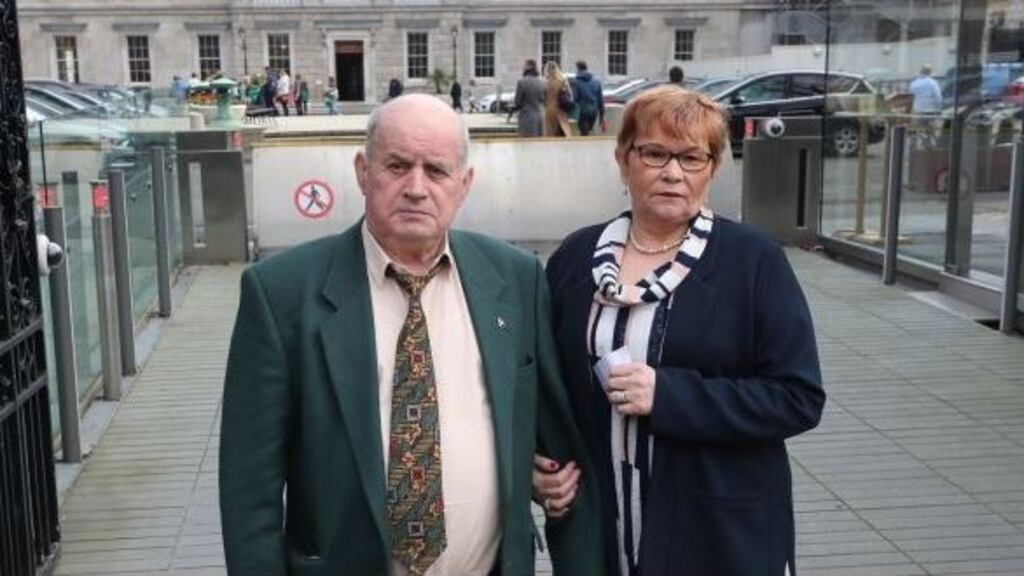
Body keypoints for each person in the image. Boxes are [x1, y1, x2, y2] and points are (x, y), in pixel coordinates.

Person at [220, 94, 605, 576]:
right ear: (364, 171)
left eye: (437, 171)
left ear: (464, 185)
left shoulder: (515, 279)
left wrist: (525, 473)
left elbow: (545, 434)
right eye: (397, 166)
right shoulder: (280, 293)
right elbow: (248, 493)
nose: (416, 188)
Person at [533, 86, 825, 576]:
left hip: (716, 531)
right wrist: (537, 469)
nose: (673, 172)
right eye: (655, 153)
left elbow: (798, 397)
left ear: (712, 167)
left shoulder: (752, 261)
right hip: (602, 529)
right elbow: (543, 384)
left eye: (693, 157)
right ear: (624, 160)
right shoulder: (575, 259)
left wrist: (669, 395)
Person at [909, 65, 943, 148]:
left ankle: (913, 149)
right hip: (930, 111)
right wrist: (939, 109)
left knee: (917, 130)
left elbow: (910, 97)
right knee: (931, 130)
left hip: (917, 110)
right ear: (930, 72)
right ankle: (929, 148)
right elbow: (938, 97)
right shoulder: (933, 83)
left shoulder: (913, 83)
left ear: (921, 71)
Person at [513, 59, 546, 137]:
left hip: (526, 116)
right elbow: (545, 99)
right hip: (540, 115)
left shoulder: (521, 82)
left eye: (524, 66)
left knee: (525, 143)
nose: (522, 68)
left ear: (528, 67)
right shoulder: (543, 81)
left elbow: (517, 102)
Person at [571, 61, 605, 136]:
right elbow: (600, 100)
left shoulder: (576, 82)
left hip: (582, 111)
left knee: (584, 134)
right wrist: (602, 117)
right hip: (594, 111)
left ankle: (584, 146)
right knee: (588, 131)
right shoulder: (596, 81)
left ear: (578, 68)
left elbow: (575, 98)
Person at [543, 61, 573, 137]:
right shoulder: (562, 81)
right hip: (560, 109)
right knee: (563, 132)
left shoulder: (545, 82)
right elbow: (569, 94)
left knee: (551, 134)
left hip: (549, 110)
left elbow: (542, 97)